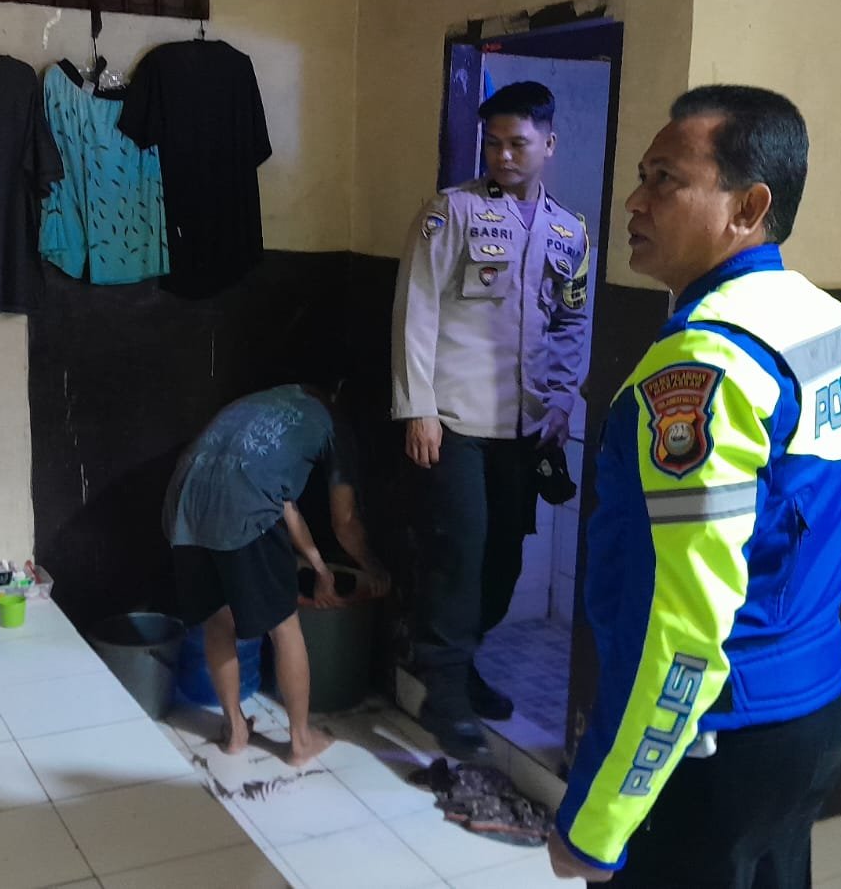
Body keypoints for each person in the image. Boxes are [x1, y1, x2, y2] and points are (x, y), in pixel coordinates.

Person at [548, 85, 841, 887]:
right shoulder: (835, 328)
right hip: (813, 711)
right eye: (642, 176)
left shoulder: (706, 368)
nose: (635, 201)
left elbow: (682, 628)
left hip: (717, 741)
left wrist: (600, 817)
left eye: (666, 179)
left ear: (749, 208)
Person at [391, 80, 593, 759]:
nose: (503, 155)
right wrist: (418, 407)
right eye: (494, 143)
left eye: (518, 143)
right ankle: (444, 690)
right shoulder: (452, 213)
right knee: (459, 555)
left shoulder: (569, 232)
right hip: (454, 421)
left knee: (503, 561)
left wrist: (561, 400)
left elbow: (571, 322)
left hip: (524, 430)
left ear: (548, 143)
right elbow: (416, 309)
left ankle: (460, 661)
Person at [164, 383, 389, 766]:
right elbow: (345, 523)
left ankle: (235, 731)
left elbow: (285, 505)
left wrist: (319, 567)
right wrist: (375, 568)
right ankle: (300, 743)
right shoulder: (333, 426)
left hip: (184, 502)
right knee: (285, 627)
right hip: (241, 503)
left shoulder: (266, 405)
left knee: (219, 619)